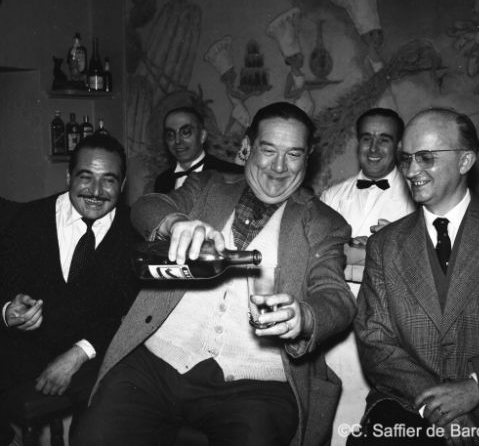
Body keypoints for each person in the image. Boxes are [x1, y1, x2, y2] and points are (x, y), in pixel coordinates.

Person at [71, 102, 357, 446]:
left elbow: (336, 297)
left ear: (307, 158)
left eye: (293, 154)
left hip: (255, 387)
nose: (279, 167)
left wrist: (306, 317)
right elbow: (147, 206)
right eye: (268, 150)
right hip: (157, 364)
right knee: (92, 434)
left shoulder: (324, 223)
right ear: (247, 147)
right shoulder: (208, 185)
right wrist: (174, 222)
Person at [351, 107, 479, 445]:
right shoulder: (385, 245)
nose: (411, 170)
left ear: (465, 161)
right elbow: (375, 341)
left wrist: (477, 387)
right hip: (408, 412)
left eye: (426, 158)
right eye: (406, 158)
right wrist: (439, 408)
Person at [0, 134, 139, 446]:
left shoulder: (134, 233)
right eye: (85, 177)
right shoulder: (28, 218)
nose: (96, 191)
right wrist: (8, 310)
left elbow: (129, 313)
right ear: (68, 177)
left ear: (122, 184)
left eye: (109, 180)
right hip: (22, 349)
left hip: (94, 355)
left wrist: (78, 355)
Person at [320, 107, 414, 441]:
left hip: (388, 329)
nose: (373, 148)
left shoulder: (419, 200)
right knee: (329, 415)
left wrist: (393, 242)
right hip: (335, 324)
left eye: (384, 139)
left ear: (399, 146)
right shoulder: (331, 197)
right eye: (366, 138)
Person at [154, 106, 243, 193]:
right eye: (170, 135)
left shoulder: (235, 174)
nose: (177, 141)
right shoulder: (162, 181)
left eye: (185, 132)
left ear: (202, 136)